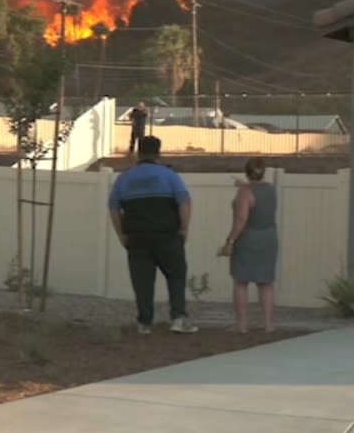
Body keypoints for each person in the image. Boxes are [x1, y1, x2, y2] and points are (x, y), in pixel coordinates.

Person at [108, 135, 198, 334]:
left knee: (142, 281)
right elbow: (184, 201)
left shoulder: (125, 178)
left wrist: (121, 234)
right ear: (158, 153)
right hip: (167, 235)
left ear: (139, 153)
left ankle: (144, 322)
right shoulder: (168, 176)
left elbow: (114, 207)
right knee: (176, 276)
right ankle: (178, 318)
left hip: (137, 237)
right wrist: (184, 228)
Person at [217, 157, 278, 333]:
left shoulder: (245, 192)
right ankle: (268, 324)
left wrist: (230, 241)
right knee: (266, 283)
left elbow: (242, 219)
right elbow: (257, 194)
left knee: (241, 281)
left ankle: (242, 324)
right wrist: (243, 185)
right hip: (269, 238)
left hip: (249, 238)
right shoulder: (270, 189)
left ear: (246, 171)